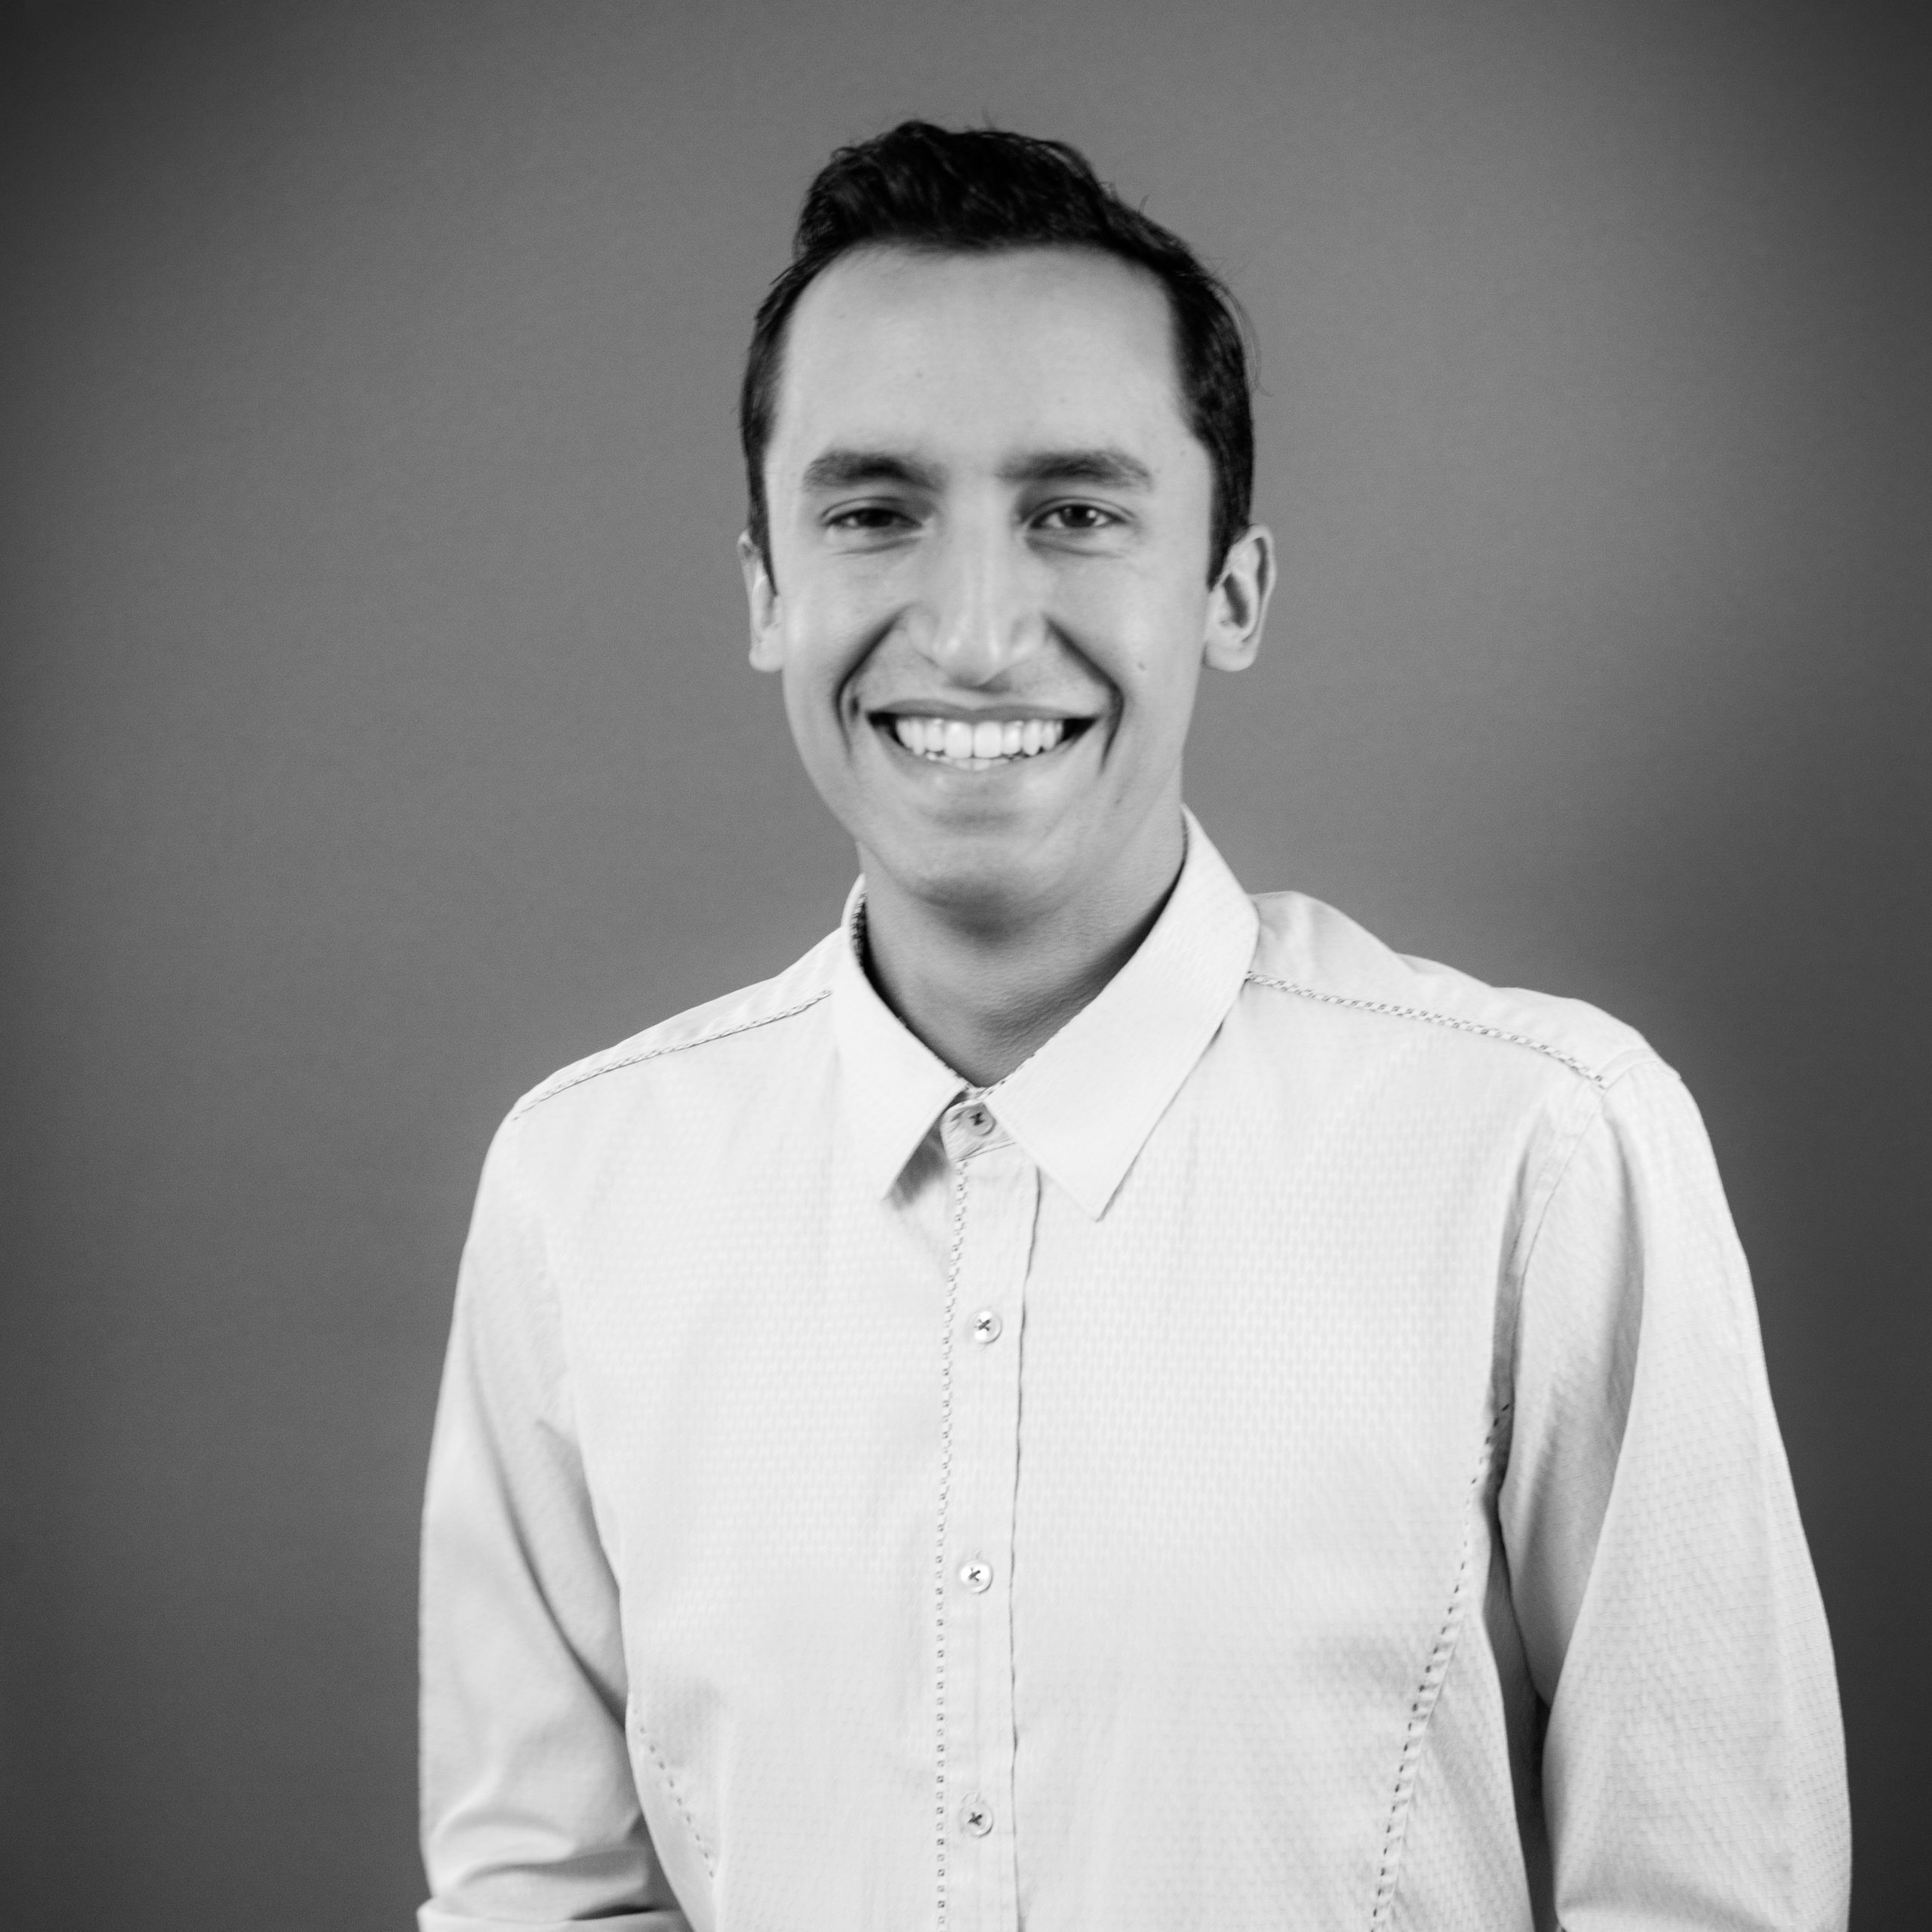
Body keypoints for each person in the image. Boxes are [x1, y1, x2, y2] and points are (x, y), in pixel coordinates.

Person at [418, 122, 1848, 1932]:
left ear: (1227, 591)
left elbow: (1710, 1889)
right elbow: (537, 1893)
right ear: (767, 587)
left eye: (1075, 512)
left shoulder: (1539, 1146)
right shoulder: (578, 1189)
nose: (973, 630)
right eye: (871, 511)